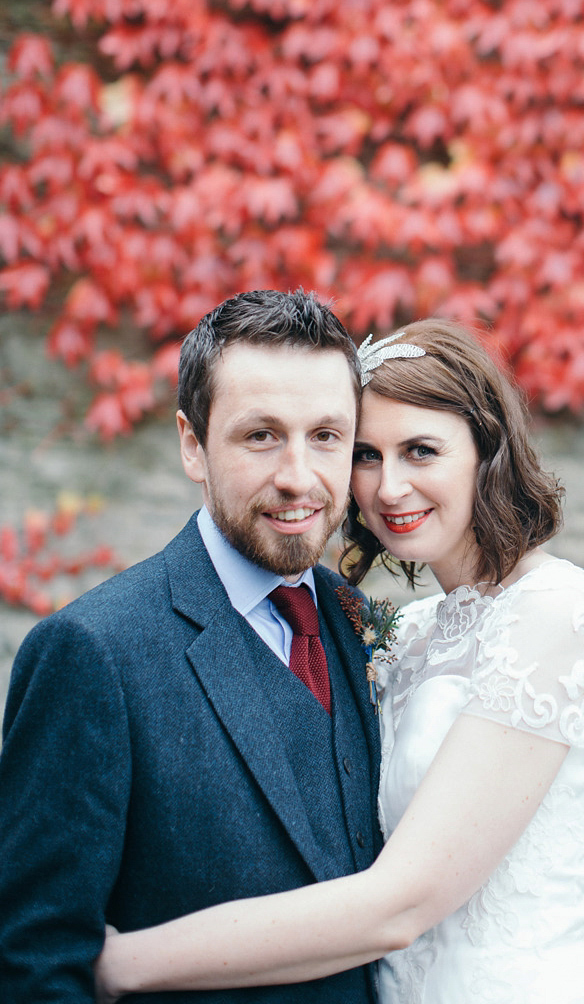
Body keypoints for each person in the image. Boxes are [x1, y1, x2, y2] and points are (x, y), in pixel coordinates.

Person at [96, 318, 584, 1004]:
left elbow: (399, 903)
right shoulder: (398, 631)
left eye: (421, 451)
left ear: (486, 450)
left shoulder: (556, 614)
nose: (388, 488)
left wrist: (123, 963)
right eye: (365, 454)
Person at [0, 289, 382, 1004]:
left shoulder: (361, 622)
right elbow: (35, 963)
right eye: (261, 435)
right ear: (191, 444)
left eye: (326, 435)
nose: (299, 476)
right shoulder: (91, 654)